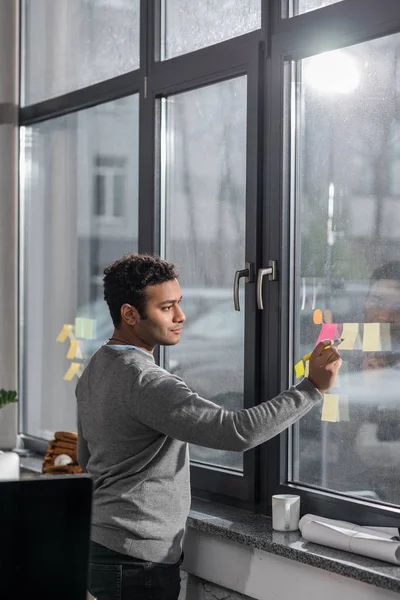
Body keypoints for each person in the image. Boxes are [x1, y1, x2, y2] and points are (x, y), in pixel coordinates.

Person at [77, 253, 341, 600]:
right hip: (136, 563)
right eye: (167, 307)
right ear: (129, 314)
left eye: (179, 303)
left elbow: (86, 457)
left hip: (100, 547)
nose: (181, 316)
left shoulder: (97, 366)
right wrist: (312, 388)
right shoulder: (146, 381)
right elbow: (237, 431)